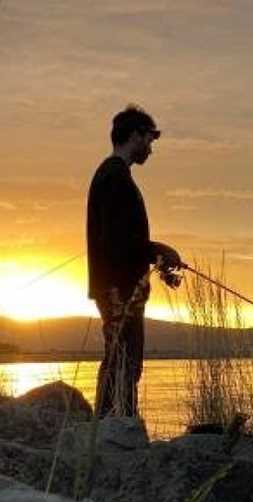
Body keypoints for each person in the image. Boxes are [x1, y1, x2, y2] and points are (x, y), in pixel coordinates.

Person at [87, 104, 183, 418]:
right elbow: (120, 242)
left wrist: (155, 258)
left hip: (119, 287)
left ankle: (112, 426)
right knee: (123, 362)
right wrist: (160, 251)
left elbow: (122, 241)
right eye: (149, 139)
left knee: (122, 360)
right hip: (119, 291)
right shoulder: (115, 177)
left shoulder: (113, 175)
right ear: (134, 135)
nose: (151, 149)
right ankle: (115, 429)